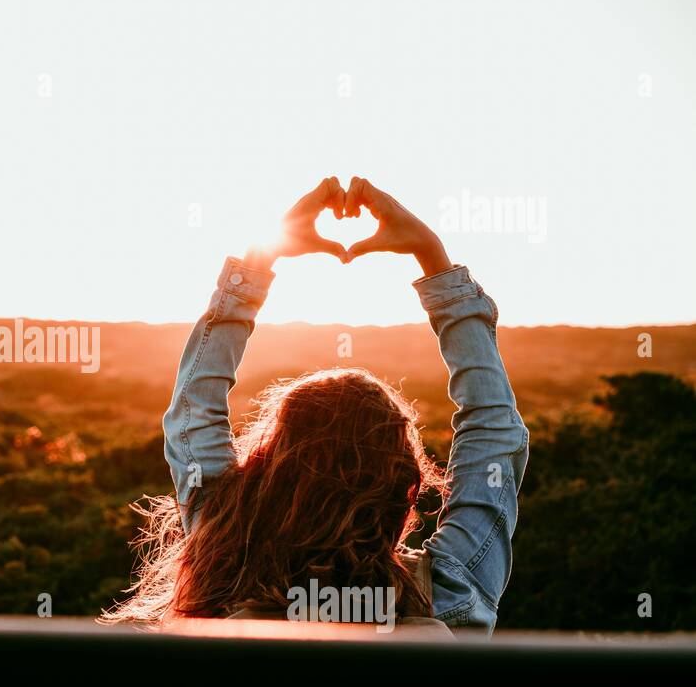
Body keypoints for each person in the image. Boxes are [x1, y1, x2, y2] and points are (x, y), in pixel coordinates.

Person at [103, 177, 529, 635]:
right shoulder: (447, 591)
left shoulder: (224, 560)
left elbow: (193, 412)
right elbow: (492, 434)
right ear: (407, 488)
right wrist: (431, 256)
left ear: (268, 468)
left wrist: (259, 261)